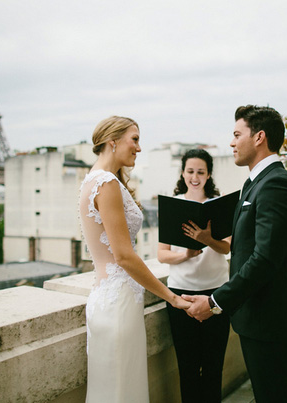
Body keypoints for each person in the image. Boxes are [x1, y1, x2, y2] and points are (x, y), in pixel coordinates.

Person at [183, 105, 287, 403]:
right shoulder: (257, 183)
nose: (232, 142)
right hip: (257, 318)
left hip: (271, 321)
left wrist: (214, 302)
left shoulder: (277, 184)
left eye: (237, 134)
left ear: (259, 137)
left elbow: (265, 259)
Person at [79, 116, 190, 403]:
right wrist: (172, 298)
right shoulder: (106, 183)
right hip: (118, 305)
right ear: (112, 141)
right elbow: (125, 256)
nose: (139, 148)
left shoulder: (92, 179)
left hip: (110, 298)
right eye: (135, 139)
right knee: (121, 392)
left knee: (115, 390)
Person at [157, 148, 231, 403]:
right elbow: (162, 255)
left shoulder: (220, 205)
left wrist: (208, 239)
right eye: (190, 171)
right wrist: (186, 255)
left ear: (209, 174)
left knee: (213, 367)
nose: (195, 177)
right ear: (182, 172)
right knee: (187, 367)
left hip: (217, 293)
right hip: (181, 293)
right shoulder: (172, 205)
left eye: (201, 171)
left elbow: (228, 247)